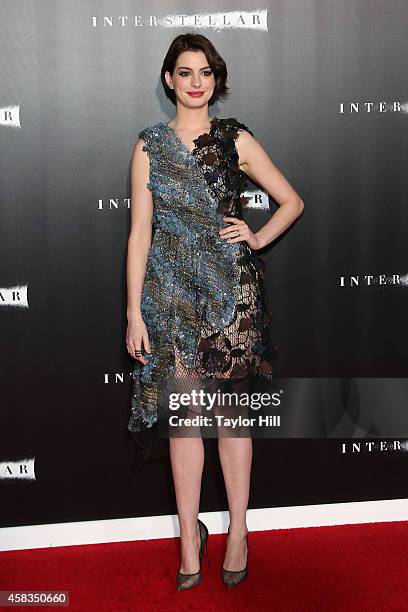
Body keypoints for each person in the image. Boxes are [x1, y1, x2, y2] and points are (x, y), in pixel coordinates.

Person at [125, 33, 304, 590]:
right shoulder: (149, 146)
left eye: (205, 72)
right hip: (171, 301)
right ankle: (187, 539)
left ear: (215, 80)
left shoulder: (235, 139)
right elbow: (139, 235)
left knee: (229, 422)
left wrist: (255, 236)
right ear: (168, 80)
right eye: (185, 72)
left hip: (231, 299)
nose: (196, 82)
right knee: (185, 428)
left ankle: (238, 533)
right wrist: (134, 311)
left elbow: (291, 201)